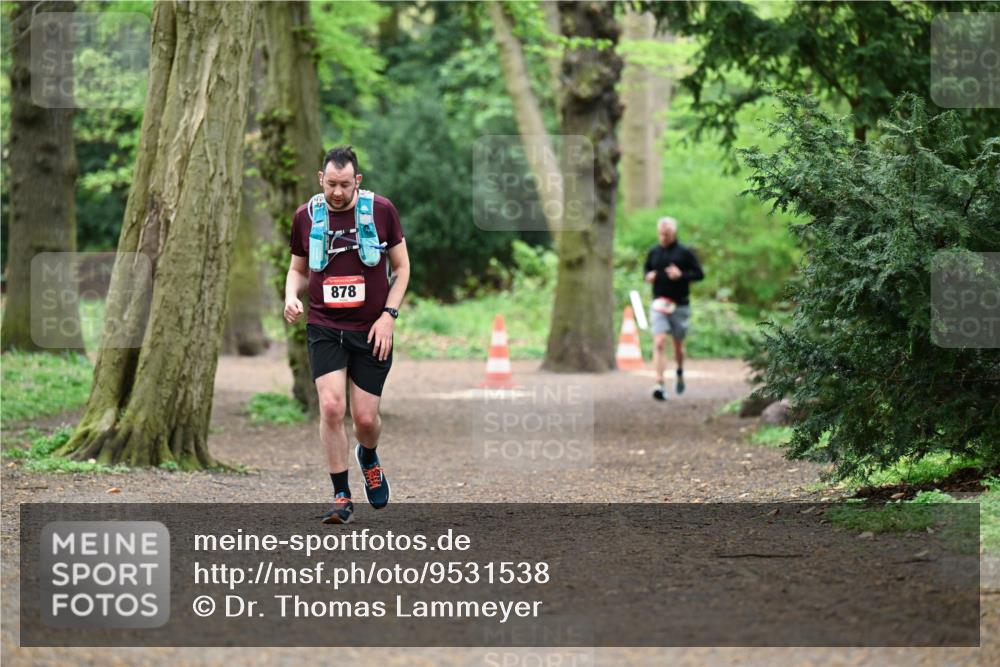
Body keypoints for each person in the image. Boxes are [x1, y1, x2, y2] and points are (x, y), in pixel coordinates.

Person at [284, 146, 410, 524]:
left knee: (366, 420)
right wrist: (291, 296)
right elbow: (298, 270)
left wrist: (389, 316)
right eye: (331, 184)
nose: (337, 192)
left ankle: (368, 457)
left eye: (344, 184)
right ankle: (341, 494)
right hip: (325, 326)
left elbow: (402, 269)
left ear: (357, 181)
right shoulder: (306, 216)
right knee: (332, 407)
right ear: (320, 179)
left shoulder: (381, 211)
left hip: (372, 329)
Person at [643, 216, 703, 401]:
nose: (663, 237)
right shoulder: (653, 252)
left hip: (680, 305)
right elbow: (646, 270)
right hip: (659, 304)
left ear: (674, 233)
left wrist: (681, 275)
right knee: (659, 342)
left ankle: (679, 371)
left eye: (667, 234)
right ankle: (659, 383)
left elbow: (699, 274)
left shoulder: (685, 252)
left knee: (677, 345)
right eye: (661, 234)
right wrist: (648, 276)